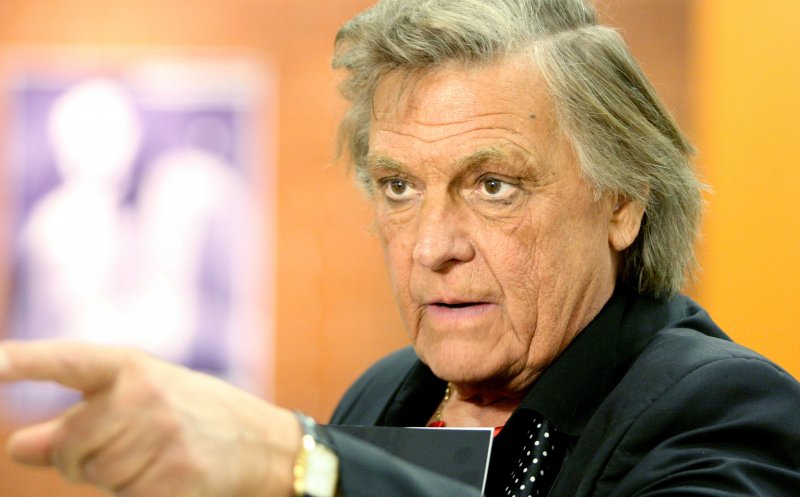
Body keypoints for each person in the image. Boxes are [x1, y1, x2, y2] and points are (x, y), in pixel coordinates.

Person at [1, 0, 799, 496]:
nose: (431, 247)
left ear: (622, 203)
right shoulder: (388, 392)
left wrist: (297, 460)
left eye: (493, 185)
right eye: (399, 186)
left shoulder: (726, 411)